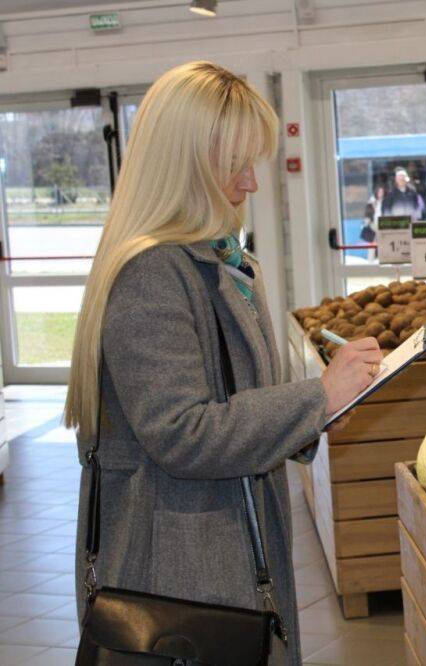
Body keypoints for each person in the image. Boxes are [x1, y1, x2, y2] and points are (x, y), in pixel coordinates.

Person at [64, 61, 383, 665]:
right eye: (237, 164)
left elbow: (242, 397)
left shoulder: (223, 261)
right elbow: (183, 432)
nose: (251, 184)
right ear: (185, 163)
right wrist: (314, 399)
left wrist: (316, 417)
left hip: (225, 556)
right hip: (179, 578)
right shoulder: (152, 274)